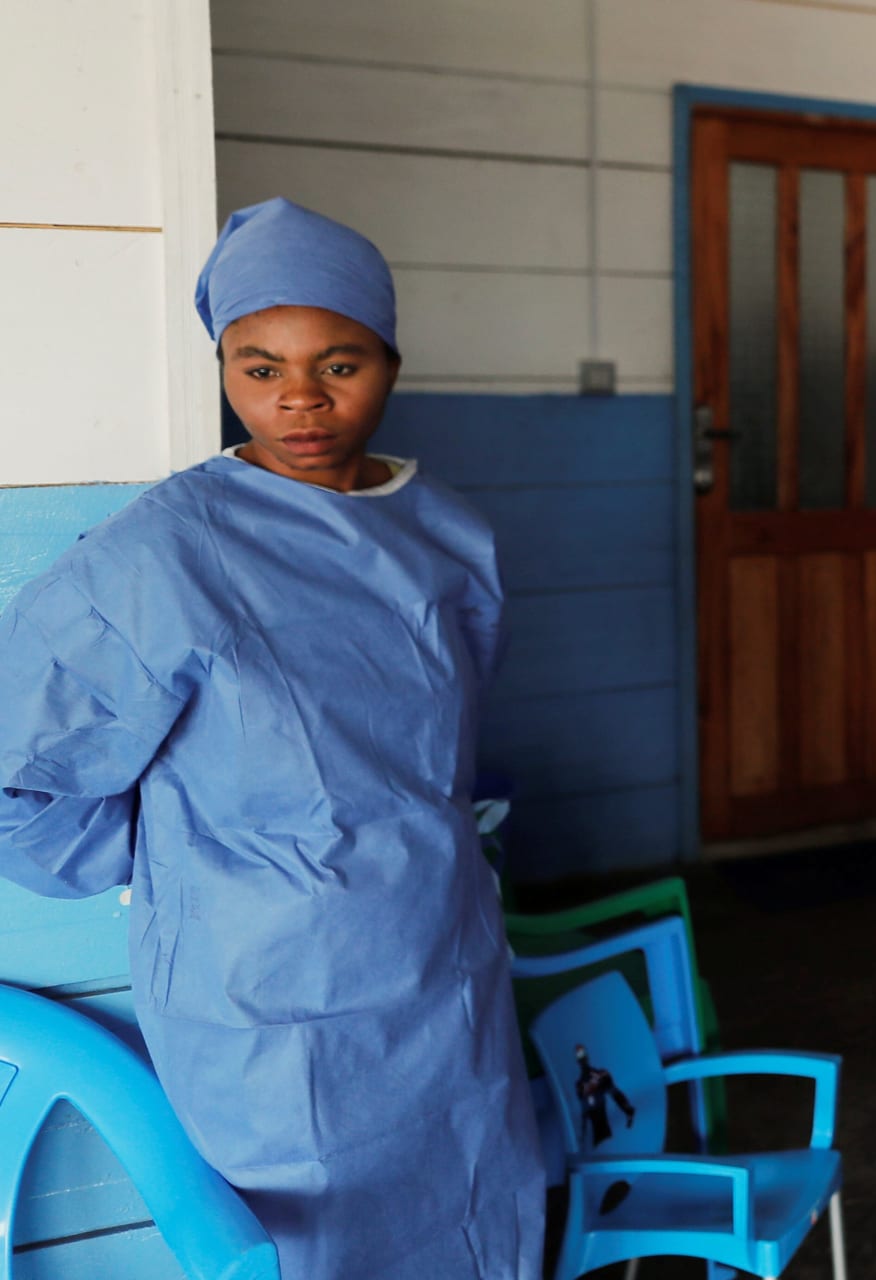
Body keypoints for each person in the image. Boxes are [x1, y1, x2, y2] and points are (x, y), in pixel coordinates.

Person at [0, 198, 544, 1279]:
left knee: (480, 1214)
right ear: (223, 366)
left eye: (338, 363)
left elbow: (441, 739)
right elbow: (24, 778)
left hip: (443, 970)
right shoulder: (168, 552)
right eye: (258, 367)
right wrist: (198, 864)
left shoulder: (447, 535)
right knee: (315, 1251)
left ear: (390, 357)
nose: (299, 398)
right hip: (271, 999)